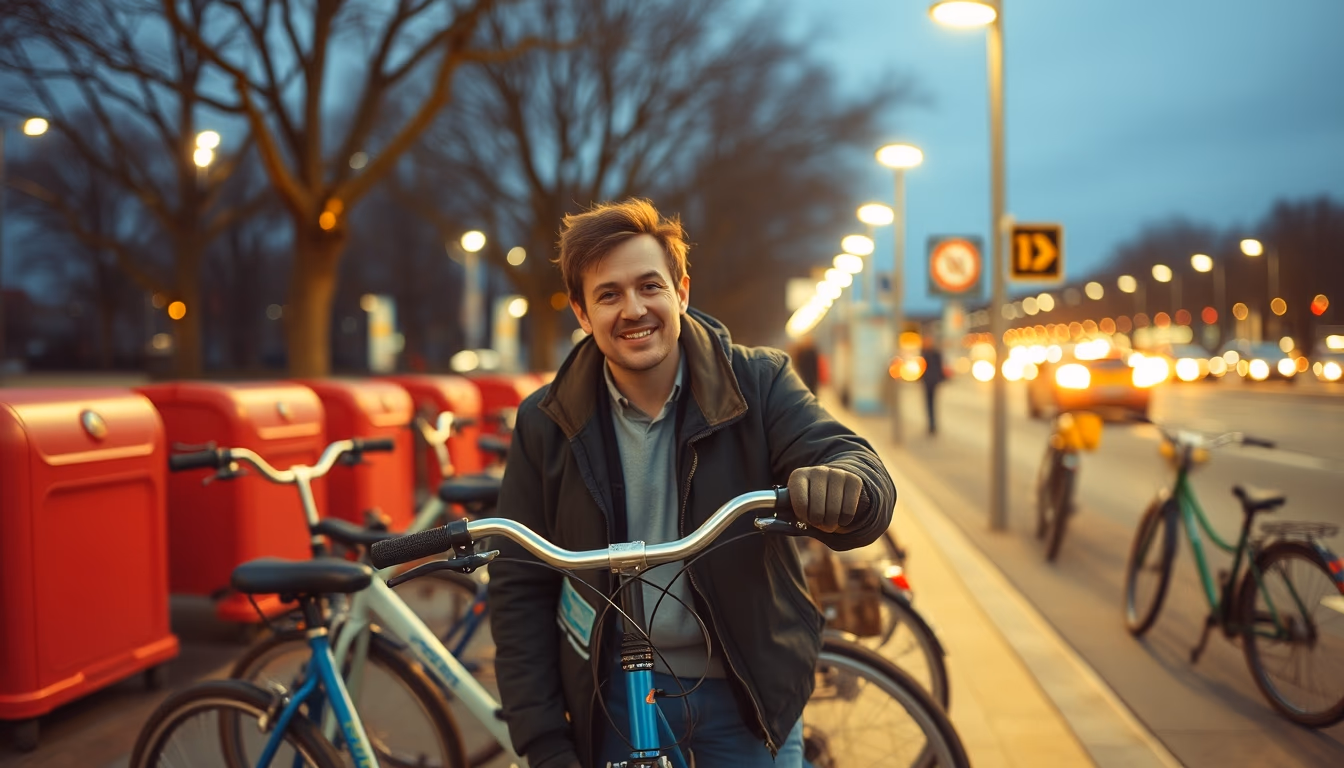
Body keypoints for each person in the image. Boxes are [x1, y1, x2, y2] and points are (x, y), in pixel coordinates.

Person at [488, 198, 897, 768]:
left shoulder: (757, 381)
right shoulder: (547, 420)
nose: (633, 309)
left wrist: (849, 485)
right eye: (608, 295)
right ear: (582, 314)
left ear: (681, 291)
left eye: (649, 286)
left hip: (744, 690)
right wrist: (542, 740)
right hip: (615, 698)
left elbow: (847, 456)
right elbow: (518, 586)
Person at [921, 337, 946, 435]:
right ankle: (932, 425)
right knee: (930, 404)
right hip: (930, 381)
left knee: (930, 404)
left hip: (930, 381)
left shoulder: (927, 353)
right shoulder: (932, 353)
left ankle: (932, 425)